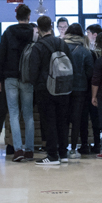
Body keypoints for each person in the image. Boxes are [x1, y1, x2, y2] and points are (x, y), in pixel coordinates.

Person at [30, 15, 73, 166]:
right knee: (63, 121)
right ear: (52, 26)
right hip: (64, 87)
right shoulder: (62, 43)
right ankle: (63, 153)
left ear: (39, 29)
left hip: (45, 89)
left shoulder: (38, 46)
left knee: (49, 122)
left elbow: (33, 71)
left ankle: (52, 155)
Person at [0, 5, 35, 162]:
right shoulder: (34, 32)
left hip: (10, 78)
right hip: (27, 78)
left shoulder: (8, 32)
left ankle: (18, 150)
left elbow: (0, 56)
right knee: (28, 114)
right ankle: (30, 150)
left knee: (13, 113)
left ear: (16, 16)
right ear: (29, 16)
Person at [63, 23, 94, 158]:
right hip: (80, 90)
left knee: (63, 118)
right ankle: (73, 149)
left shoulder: (61, 47)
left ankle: (62, 147)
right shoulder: (85, 52)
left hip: (62, 88)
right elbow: (90, 73)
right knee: (76, 119)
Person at [85, 24, 102, 152]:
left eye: (88, 33)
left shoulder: (91, 53)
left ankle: (90, 144)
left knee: (90, 117)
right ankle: (99, 143)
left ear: (94, 35)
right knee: (98, 118)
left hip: (91, 89)